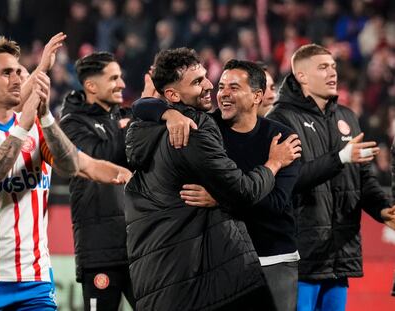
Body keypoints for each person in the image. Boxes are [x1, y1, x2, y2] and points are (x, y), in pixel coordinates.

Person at [125, 47, 300, 311]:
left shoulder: (281, 137)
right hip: (197, 270)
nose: (214, 88)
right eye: (202, 82)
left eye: (232, 86)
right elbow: (242, 191)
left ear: (257, 96)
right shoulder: (196, 129)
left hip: (253, 258)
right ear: (172, 95)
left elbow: (276, 203)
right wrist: (272, 164)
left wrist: (169, 113)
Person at [0, 37, 131, 310]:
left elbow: (76, 165)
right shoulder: (2, 130)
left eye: (18, 72)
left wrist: (45, 118)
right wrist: (25, 122)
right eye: (6, 73)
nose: (16, 78)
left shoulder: (38, 130)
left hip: (35, 282)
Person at [267, 43, 395, 311]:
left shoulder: (347, 116)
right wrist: (340, 158)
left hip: (338, 256)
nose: (332, 73)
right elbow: (290, 180)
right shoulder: (281, 118)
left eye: (334, 67)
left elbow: (363, 180)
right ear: (301, 76)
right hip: (302, 259)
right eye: (323, 67)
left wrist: (383, 210)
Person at [59, 52, 135, 311]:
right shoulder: (70, 124)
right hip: (100, 251)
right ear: (91, 86)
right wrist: (124, 130)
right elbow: (98, 161)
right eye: (114, 78)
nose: (122, 84)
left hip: (137, 247)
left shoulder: (122, 117)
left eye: (121, 76)